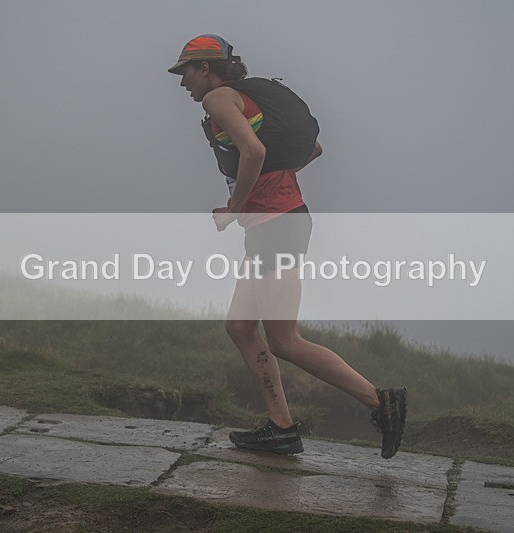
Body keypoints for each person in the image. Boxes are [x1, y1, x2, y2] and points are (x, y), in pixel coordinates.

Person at [168, 34, 407, 459]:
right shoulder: (247, 98)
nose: (182, 81)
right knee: (240, 327)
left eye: (185, 70)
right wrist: (266, 188)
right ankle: (281, 428)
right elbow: (311, 149)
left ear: (206, 67)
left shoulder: (219, 99)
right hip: (276, 224)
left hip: (276, 226)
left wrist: (234, 207)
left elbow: (254, 151)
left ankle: (380, 402)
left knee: (285, 339)